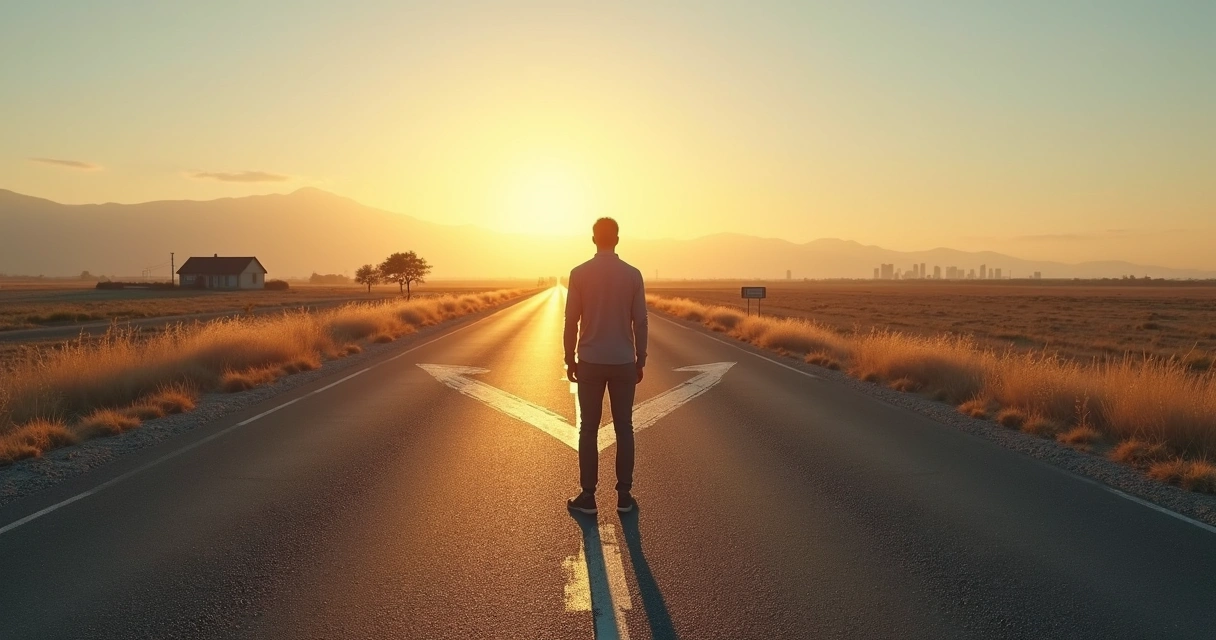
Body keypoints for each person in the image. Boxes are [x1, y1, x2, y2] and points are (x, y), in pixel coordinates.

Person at [564, 217, 648, 515]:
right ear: (617, 238)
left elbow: (571, 320)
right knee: (624, 428)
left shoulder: (579, 274)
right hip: (623, 360)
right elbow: (640, 321)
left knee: (588, 429)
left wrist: (568, 357)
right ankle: (624, 496)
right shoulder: (633, 275)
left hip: (590, 361)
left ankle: (588, 496)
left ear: (593, 238)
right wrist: (641, 358)